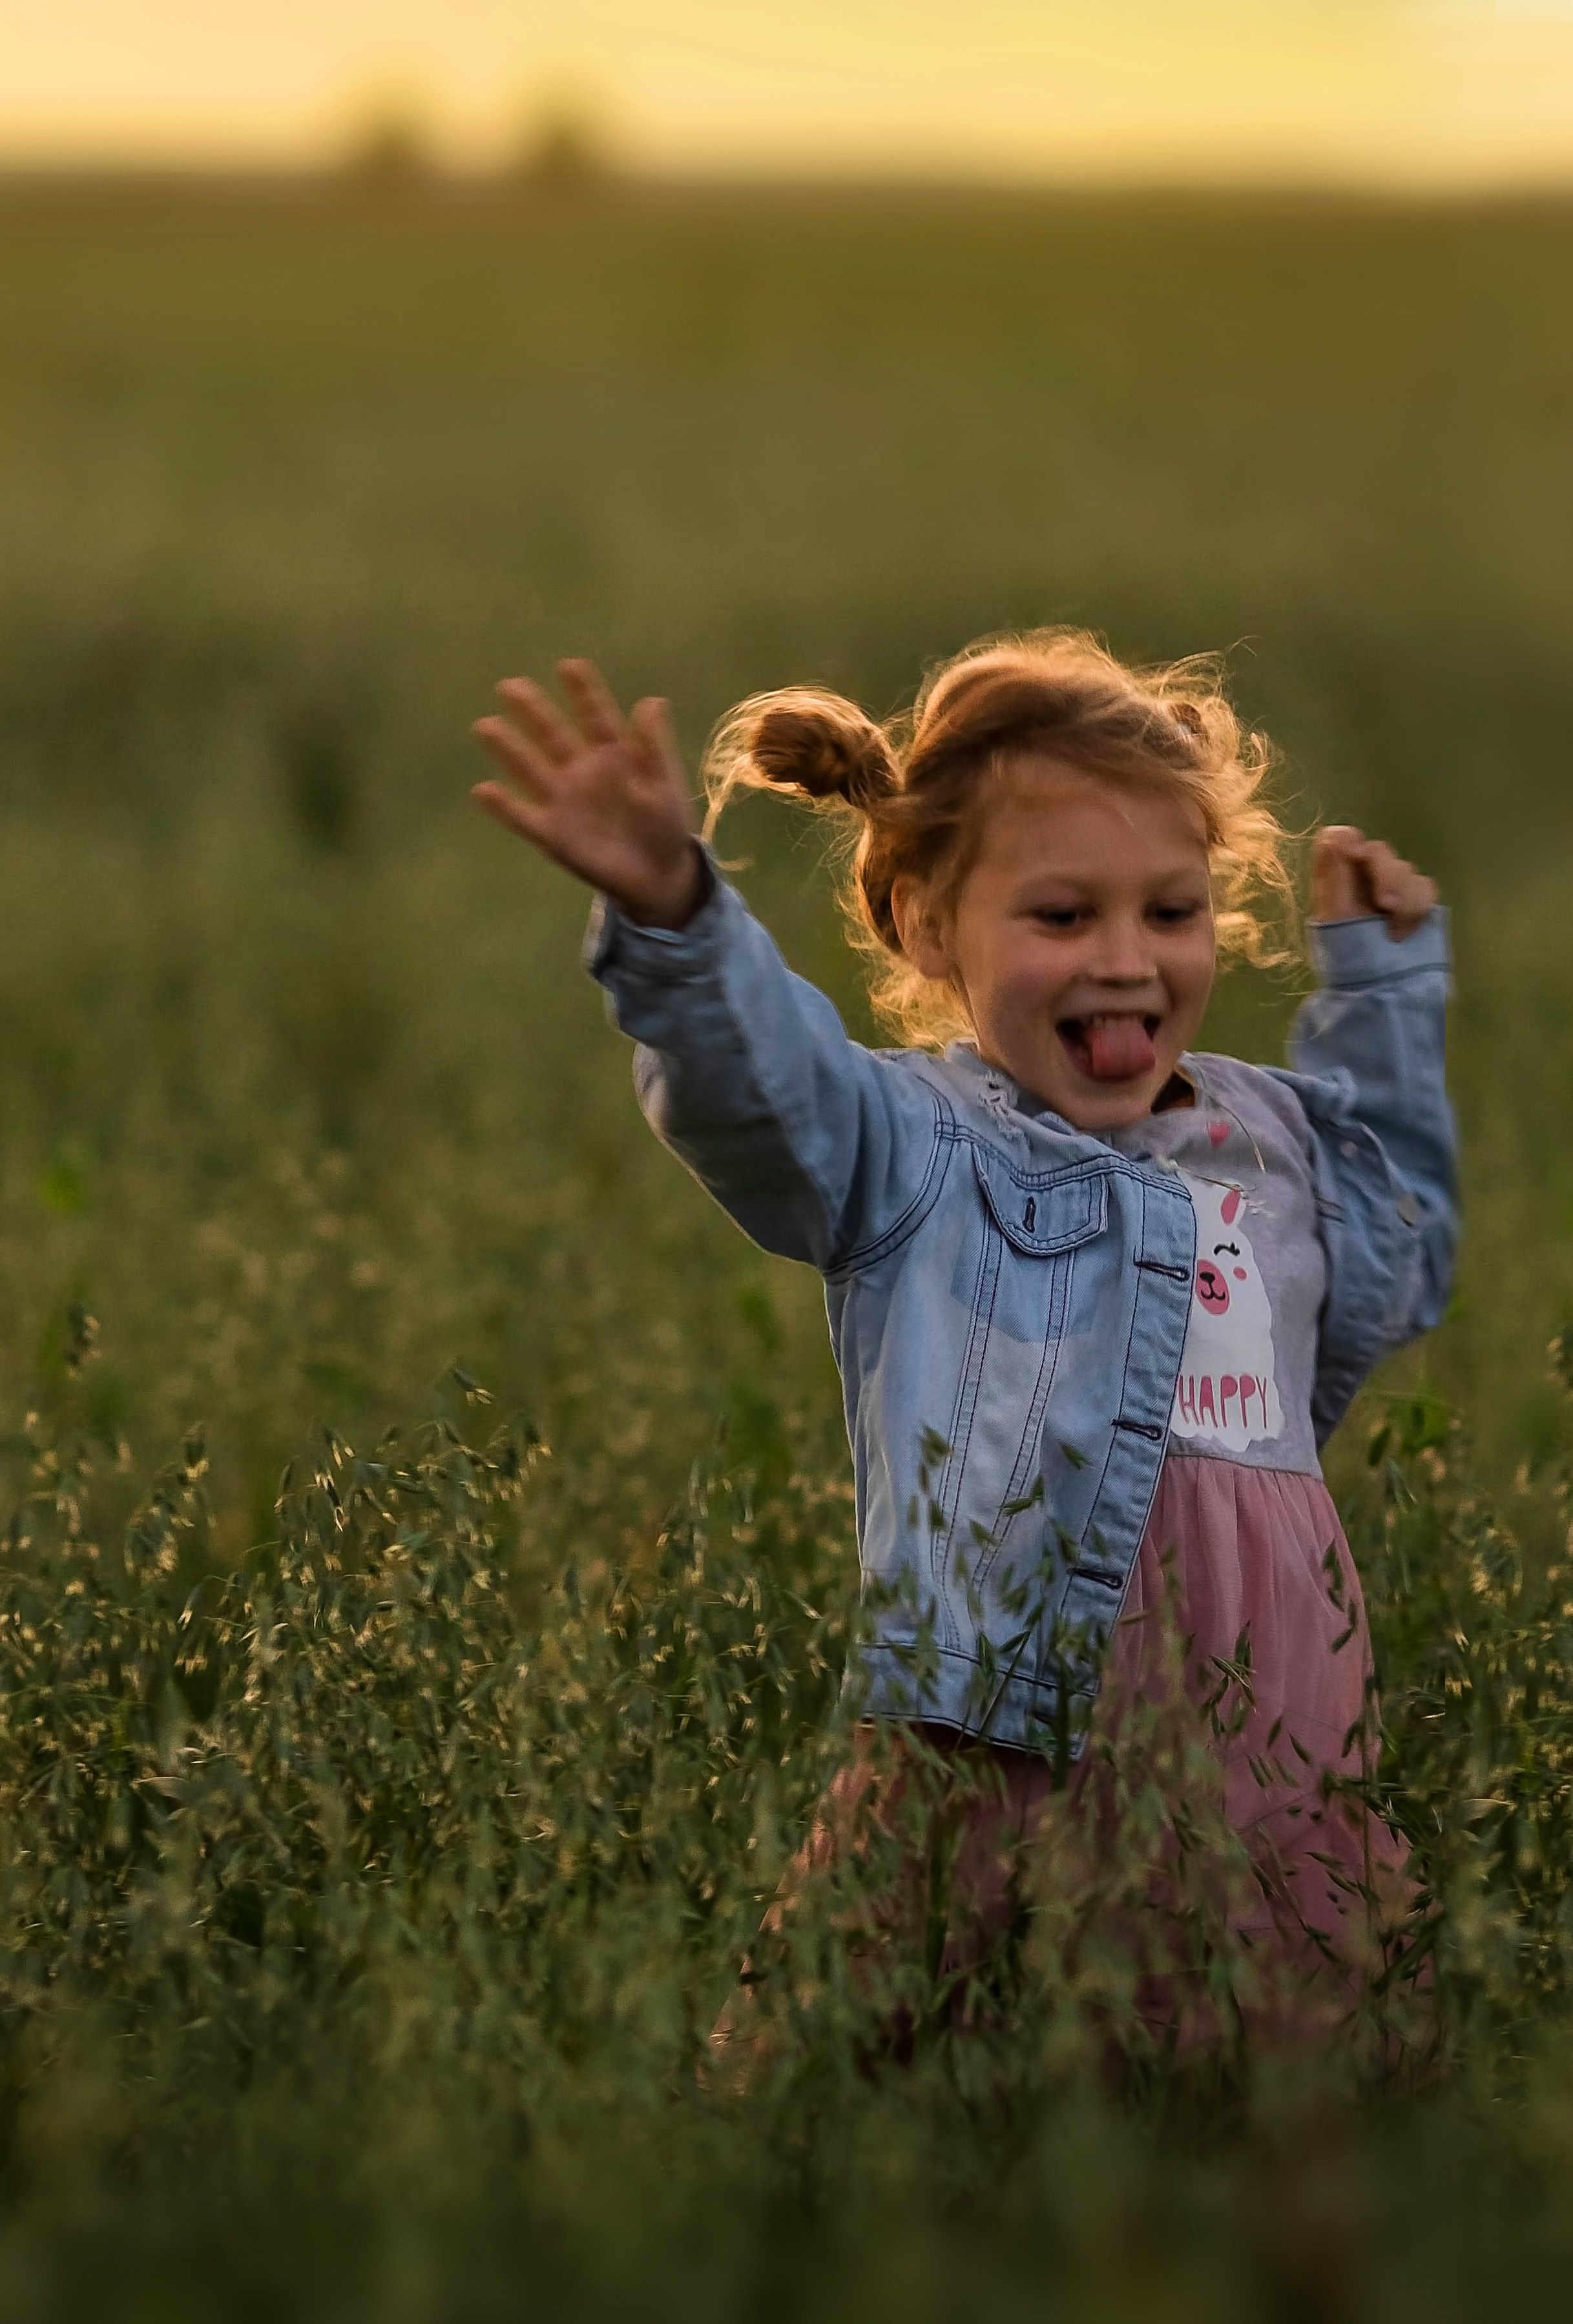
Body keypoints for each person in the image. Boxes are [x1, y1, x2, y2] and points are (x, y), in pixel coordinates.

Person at [471, 630, 1453, 2051]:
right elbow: (764, 1095)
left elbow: (1394, 1256)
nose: (1125, 960)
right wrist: (680, 918)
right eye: (1061, 917)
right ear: (926, 925)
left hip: (1270, 1767)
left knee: (1287, 2122)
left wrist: (1385, 1001)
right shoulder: (917, 1146)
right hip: (993, 1756)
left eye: (1170, 912)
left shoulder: (1272, 1139)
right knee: (856, 2094)